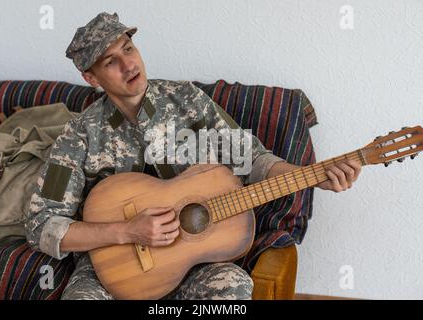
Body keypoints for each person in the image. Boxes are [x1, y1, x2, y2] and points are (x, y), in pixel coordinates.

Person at [24, 12, 362, 300]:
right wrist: (128, 231)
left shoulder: (188, 99)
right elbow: (42, 226)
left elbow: (253, 160)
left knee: (233, 290)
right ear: (91, 78)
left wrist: (314, 175)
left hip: (194, 267)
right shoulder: (78, 134)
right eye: (110, 62)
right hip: (116, 272)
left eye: (128, 48)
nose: (129, 65)